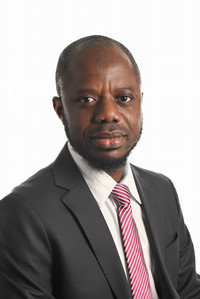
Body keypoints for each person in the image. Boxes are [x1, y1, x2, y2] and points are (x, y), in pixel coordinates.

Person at [0, 35, 199, 299]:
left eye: (124, 98)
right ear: (60, 110)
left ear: (140, 103)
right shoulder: (23, 213)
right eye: (86, 99)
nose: (108, 113)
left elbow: (187, 290)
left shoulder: (163, 190)